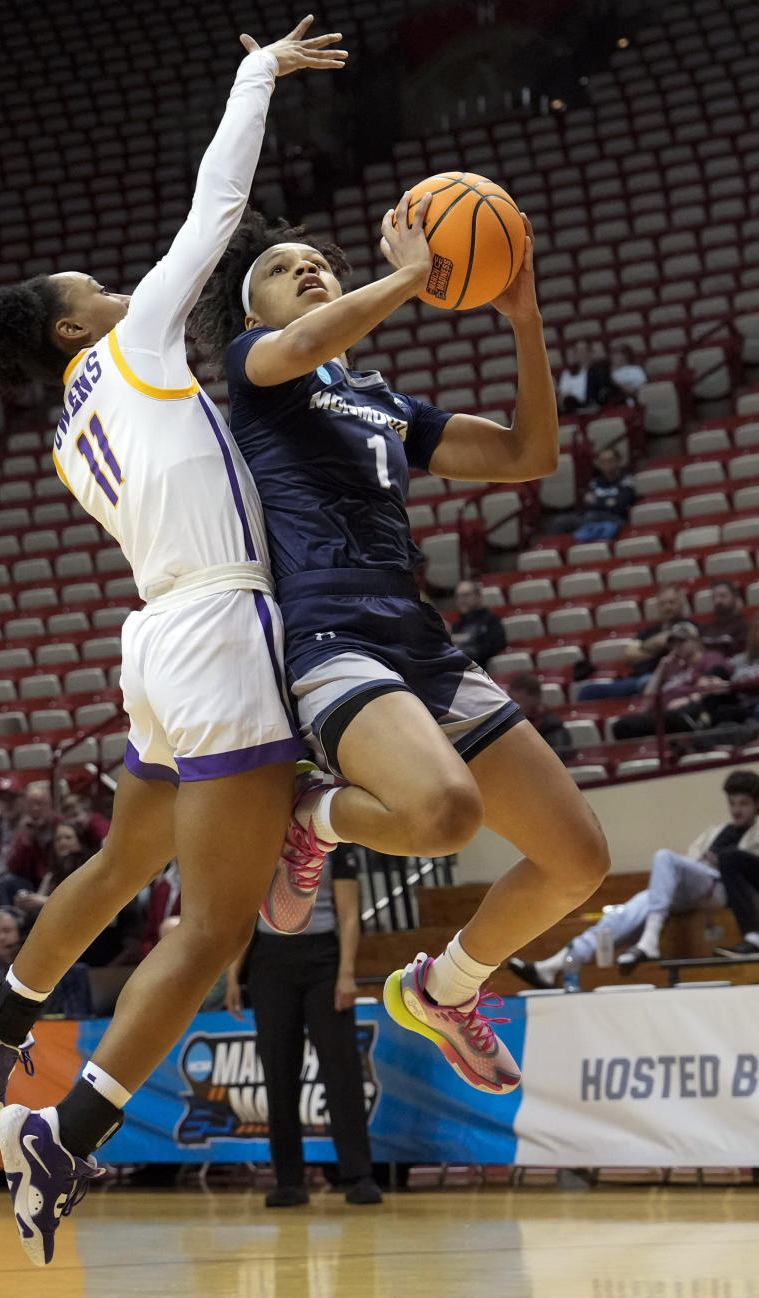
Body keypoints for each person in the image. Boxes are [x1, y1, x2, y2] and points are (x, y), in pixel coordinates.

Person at [0, 20, 347, 1268]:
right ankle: (68, 1124)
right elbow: (218, 206)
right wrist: (255, 73)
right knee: (215, 926)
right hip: (217, 621)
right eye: (87, 288)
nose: (110, 285)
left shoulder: (69, 425)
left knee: (124, 859)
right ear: (72, 328)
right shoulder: (131, 344)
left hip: (155, 634)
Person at [190, 199, 607, 1091]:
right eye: (281, 268)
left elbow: (531, 453)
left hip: (419, 638)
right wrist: (411, 277)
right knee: (443, 813)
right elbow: (302, 349)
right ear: (252, 310)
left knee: (579, 862)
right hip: (331, 633)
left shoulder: (384, 402)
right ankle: (317, 819)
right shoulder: (257, 367)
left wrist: (524, 321)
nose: (306, 270)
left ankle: (445, 988)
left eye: (318, 262)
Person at [228, 844, 381, 1207]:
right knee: (278, 1070)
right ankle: (289, 1180)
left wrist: (346, 973)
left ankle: (358, 1175)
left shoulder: (335, 839)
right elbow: (245, 912)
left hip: (323, 961)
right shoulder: (259, 834)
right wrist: (233, 974)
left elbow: (348, 914)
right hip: (269, 960)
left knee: (341, 1068)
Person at [511, 769, 759, 983]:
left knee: (664, 857)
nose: (736, 810)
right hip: (696, 887)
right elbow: (690, 861)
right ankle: (553, 966)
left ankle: (649, 940)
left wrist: (720, 860)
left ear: (756, 804)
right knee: (627, 911)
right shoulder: (716, 831)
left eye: (743, 804)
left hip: (725, 888)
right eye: (733, 803)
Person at [610, 621, 731, 740]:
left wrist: (687, 700)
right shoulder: (674, 669)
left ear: (696, 640)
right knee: (620, 726)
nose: (676, 647)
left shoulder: (709, 658)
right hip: (666, 715)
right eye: (673, 644)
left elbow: (718, 683)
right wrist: (660, 669)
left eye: (681, 641)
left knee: (624, 726)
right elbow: (647, 703)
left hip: (688, 713)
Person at [578, 584, 692, 701]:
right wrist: (657, 646)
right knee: (588, 691)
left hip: (668, 678)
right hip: (636, 679)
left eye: (672, 602)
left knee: (647, 682)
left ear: (681, 604)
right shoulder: (648, 632)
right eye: (662, 604)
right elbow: (629, 657)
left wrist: (643, 650)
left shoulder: (689, 627)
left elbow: (672, 645)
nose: (667, 607)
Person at [546, 446, 636, 540]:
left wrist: (598, 501)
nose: (607, 464)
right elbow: (588, 502)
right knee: (559, 522)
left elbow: (621, 504)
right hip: (591, 518)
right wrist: (608, 502)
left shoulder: (627, 480)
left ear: (618, 461)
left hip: (615, 519)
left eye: (610, 460)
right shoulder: (595, 482)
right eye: (603, 461)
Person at [0, 781, 60, 902]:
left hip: (58, 880)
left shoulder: (60, 825)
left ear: (50, 805)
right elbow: (13, 868)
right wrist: (27, 841)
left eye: (40, 804)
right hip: (34, 882)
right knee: (8, 882)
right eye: (31, 805)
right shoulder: (25, 830)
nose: (35, 808)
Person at [12, 822, 87, 915]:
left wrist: (46, 902)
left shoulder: (88, 869)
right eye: (58, 839)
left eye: (68, 837)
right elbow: (39, 898)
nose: (62, 842)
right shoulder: (51, 875)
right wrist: (28, 902)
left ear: (79, 842)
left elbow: (83, 904)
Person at [507, 674, 572, 759]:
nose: (514, 707)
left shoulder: (553, 727)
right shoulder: (510, 727)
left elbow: (555, 759)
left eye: (519, 701)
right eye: (511, 702)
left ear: (536, 697)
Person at [447, 580, 506, 670]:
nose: (461, 600)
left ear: (478, 596)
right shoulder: (456, 627)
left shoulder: (491, 620)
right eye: (458, 597)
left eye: (466, 595)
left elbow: (496, 646)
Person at [699, 580, 748, 659]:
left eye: (723, 596)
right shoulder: (705, 628)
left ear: (735, 597)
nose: (718, 601)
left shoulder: (745, 626)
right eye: (714, 597)